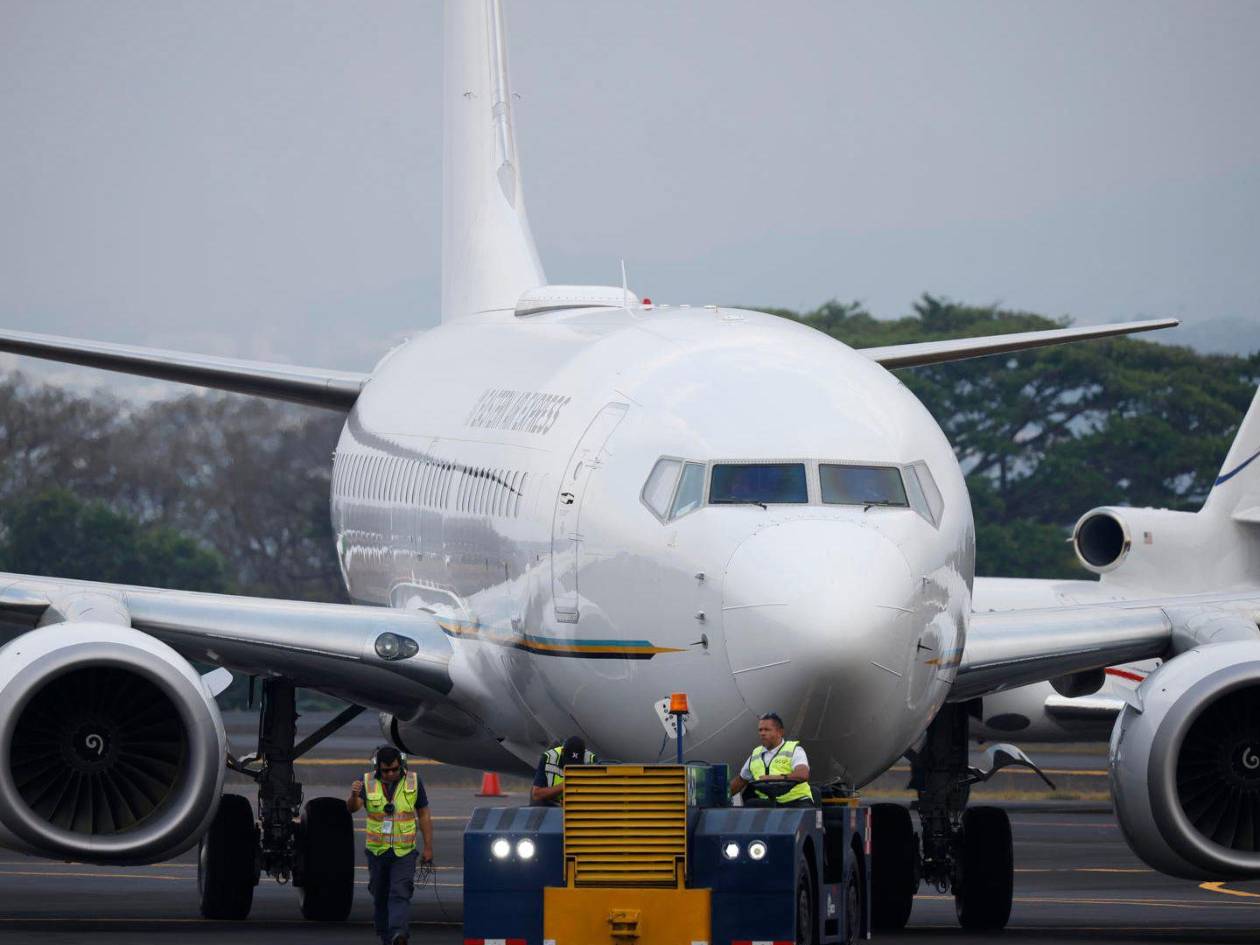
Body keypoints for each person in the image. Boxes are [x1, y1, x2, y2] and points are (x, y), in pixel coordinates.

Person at [348, 746, 433, 945]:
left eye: (395, 769)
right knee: (379, 893)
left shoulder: (413, 781)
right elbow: (353, 808)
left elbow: (424, 814)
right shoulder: (367, 781)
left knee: (400, 891)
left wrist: (428, 846)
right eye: (386, 771)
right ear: (378, 768)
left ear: (401, 765)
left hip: (404, 852)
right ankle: (387, 935)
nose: (391, 774)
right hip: (377, 852)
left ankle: (399, 934)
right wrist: (353, 795)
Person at [728, 712, 813, 807]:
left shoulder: (794, 750)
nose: (762, 733)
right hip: (769, 804)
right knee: (750, 804)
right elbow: (740, 781)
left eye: (767, 730)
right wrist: (721, 796)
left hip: (796, 802)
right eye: (760, 730)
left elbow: (802, 774)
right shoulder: (756, 754)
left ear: (780, 732)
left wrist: (774, 778)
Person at [530, 735, 598, 806]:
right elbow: (536, 794)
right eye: (569, 763)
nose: (571, 768)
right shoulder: (548, 758)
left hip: (579, 804)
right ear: (562, 752)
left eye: (576, 765)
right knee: (538, 804)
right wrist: (565, 785)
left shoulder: (591, 760)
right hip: (552, 803)